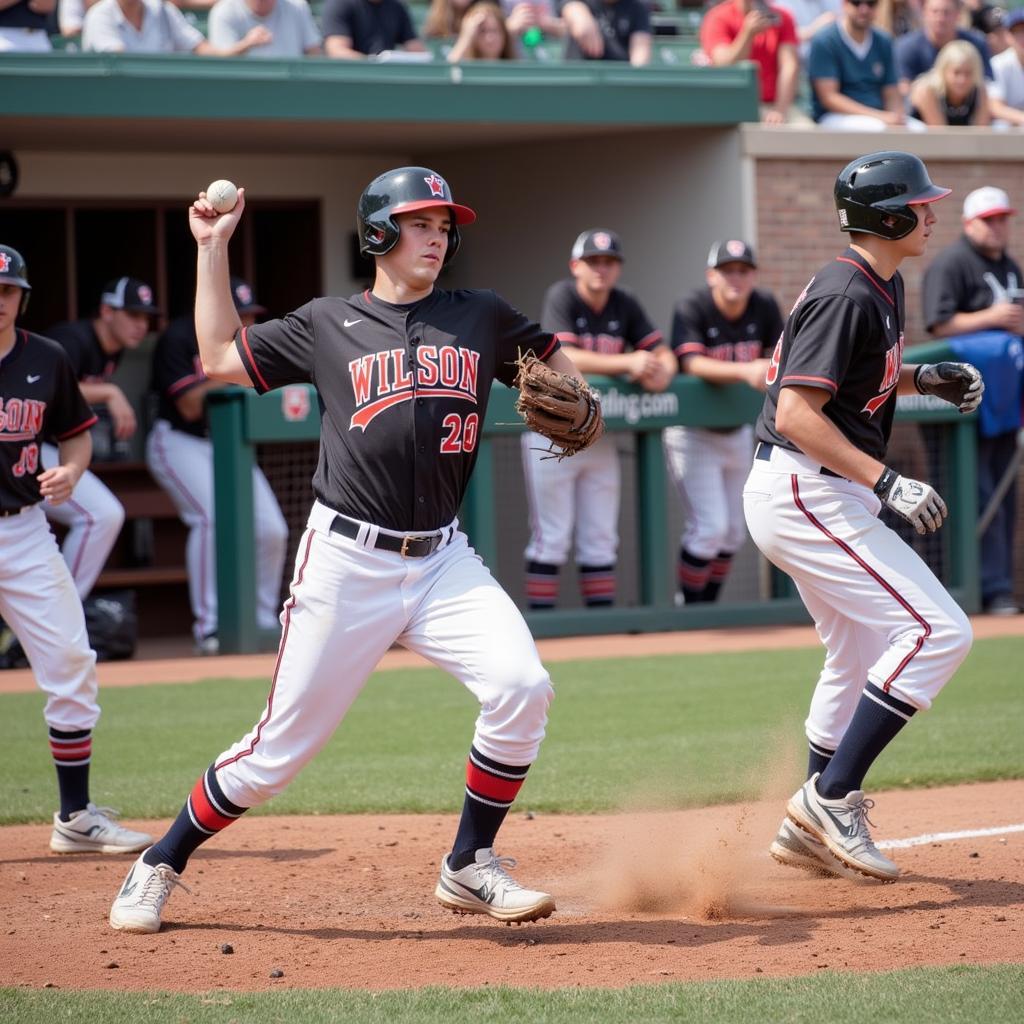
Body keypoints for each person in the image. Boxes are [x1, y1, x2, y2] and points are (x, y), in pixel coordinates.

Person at [108, 166, 595, 934]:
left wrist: (579, 394)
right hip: (347, 562)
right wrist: (211, 249)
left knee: (522, 686)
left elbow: (558, 368)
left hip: (443, 560)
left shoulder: (481, 315)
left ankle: (469, 862)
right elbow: (217, 357)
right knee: (276, 756)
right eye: (420, 223)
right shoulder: (327, 320)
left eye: (444, 226)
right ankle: (160, 861)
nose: (438, 237)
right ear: (377, 233)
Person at [742, 151, 982, 881]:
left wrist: (922, 378)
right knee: (939, 631)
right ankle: (830, 797)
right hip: (805, 487)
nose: (932, 211)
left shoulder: (879, 280)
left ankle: (808, 827)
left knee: (855, 649)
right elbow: (795, 409)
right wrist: (887, 481)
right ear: (887, 216)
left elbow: (857, 377)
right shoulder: (850, 291)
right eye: (920, 202)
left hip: (812, 487)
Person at [0, 245, 152, 856]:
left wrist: (70, 473)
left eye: (7, 290)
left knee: (70, 662)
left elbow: (75, 439)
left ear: (21, 296)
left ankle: (75, 816)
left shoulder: (47, 357)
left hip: (25, 530)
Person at [521, 229, 672, 610]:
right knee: (551, 536)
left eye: (609, 262)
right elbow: (563, 354)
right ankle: (543, 628)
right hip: (551, 433)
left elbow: (660, 351)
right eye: (593, 262)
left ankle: (600, 635)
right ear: (576, 266)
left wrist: (662, 370)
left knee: (601, 537)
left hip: (598, 435)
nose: (601, 269)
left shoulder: (624, 302)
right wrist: (629, 362)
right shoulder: (562, 295)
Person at [147, 277, 290, 655]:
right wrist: (225, 369)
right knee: (211, 519)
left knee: (272, 528)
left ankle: (260, 622)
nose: (244, 322)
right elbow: (190, 405)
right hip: (180, 441)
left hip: (229, 445)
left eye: (248, 314)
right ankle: (210, 627)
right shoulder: (178, 337)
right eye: (238, 313)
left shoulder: (248, 344)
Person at [922, 185, 1023, 616]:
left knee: (1004, 494)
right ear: (969, 223)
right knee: (973, 494)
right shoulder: (951, 262)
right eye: (990, 220)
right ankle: (974, 589)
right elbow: (938, 325)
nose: (998, 227)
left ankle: (997, 588)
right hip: (961, 404)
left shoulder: (1012, 267)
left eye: (1003, 219)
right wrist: (992, 319)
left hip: (1006, 400)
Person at [663, 240, 780, 606]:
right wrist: (745, 370)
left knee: (733, 534)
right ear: (711, 275)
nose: (736, 277)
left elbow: (781, 358)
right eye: (727, 270)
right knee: (709, 529)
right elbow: (692, 364)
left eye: (743, 270)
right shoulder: (693, 305)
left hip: (737, 431)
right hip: (692, 433)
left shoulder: (763, 305)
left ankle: (705, 608)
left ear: (753, 276)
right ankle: (690, 607)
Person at [44, 278, 160, 601]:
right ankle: (58, 614)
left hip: (51, 451)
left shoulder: (113, 350)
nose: (141, 325)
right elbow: (50, 389)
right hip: (21, 447)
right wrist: (109, 391)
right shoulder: (73, 339)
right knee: (100, 515)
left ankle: (55, 615)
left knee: (103, 515)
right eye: (132, 315)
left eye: (145, 318)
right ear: (107, 311)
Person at [808, 0, 924, 130]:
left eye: (871, 3)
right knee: (877, 128)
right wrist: (880, 116)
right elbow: (829, 98)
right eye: (856, 3)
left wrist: (896, 118)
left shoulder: (883, 41)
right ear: (844, 4)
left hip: (879, 116)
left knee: (918, 130)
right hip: (835, 116)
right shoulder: (825, 40)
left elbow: (891, 91)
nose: (864, 9)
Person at [700, 0, 807, 124]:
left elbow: (789, 65)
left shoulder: (782, 16)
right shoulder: (718, 16)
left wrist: (780, 110)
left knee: (808, 132)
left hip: (775, 105)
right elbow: (722, 63)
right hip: (732, 107)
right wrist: (748, 34)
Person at [82, 0, 274, 52]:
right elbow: (119, 69)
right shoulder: (100, 15)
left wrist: (241, 47)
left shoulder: (163, 10)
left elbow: (201, 48)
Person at [895, 0, 993, 88]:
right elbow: (904, 88)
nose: (940, 18)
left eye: (946, 13)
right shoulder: (906, 47)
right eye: (935, 12)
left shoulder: (976, 44)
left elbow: (987, 84)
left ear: (958, 14)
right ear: (924, 13)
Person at [909, 37, 993, 123]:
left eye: (968, 73)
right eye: (956, 73)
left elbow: (981, 131)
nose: (962, 80)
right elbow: (939, 132)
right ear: (943, 71)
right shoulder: (927, 90)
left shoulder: (980, 92)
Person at [207, 0, 324, 56]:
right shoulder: (223, 11)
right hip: (241, 91)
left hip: (292, 90)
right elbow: (220, 61)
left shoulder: (298, 6)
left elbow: (314, 52)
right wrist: (246, 44)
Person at [321, 0, 426, 58]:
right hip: (352, 77)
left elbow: (415, 49)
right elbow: (336, 50)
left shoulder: (397, 6)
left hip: (387, 77)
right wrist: (372, 63)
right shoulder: (340, 4)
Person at [560, 0, 651, 65]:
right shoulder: (578, 3)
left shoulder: (638, 7)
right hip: (580, 79)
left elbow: (640, 54)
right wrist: (577, 13)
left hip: (617, 82)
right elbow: (569, 8)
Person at [991, 8, 1024, 126]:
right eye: (1017, 32)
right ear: (1007, 36)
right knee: (1000, 126)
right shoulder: (998, 64)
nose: (1022, 38)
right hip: (1009, 131)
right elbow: (995, 107)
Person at [447, 1, 515, 59]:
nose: (490, 38)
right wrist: (466, 36)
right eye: (483, 31)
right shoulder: (467, 69)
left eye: (494, 31)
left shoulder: (515, 69)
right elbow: (451, 68)